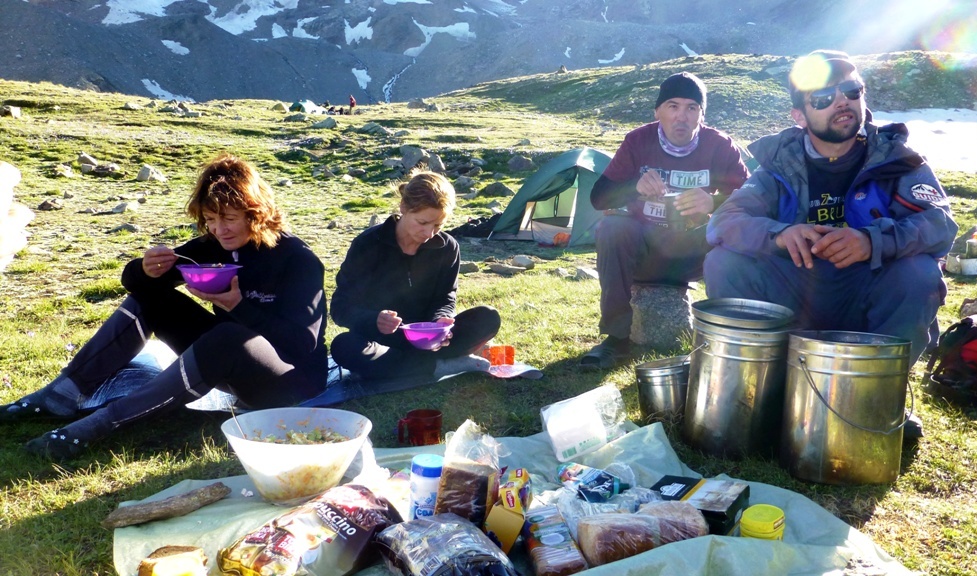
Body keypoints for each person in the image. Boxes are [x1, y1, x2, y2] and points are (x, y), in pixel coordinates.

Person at [0, 153, 329, 460]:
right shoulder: (214, 246)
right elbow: (140, 286)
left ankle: (100, 424)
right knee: (152, 298)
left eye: (229, 218)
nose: (219, 229)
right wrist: (143, 268)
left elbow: (301, 344)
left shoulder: (297, 260)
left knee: (229, 335)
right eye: (210, 219)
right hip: (228, 363)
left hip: (289, 382)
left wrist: (238, 305)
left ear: (255, 213)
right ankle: (61, 395)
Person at [704, 50, 957, 367]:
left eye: (851, 91)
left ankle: (881, 394)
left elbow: (939, 224)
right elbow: (723, 222)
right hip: (796, 293)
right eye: (823, 97)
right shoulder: (779, 164)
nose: (842, 102)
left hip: (867, 290)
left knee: (918, 274)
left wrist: (870, 242)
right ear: (799, 115)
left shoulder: (896, 158)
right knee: (724, 262)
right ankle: (758, 383)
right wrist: (780, 234)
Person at [581, 72, 750, 369]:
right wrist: (634, 185)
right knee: (612, 227)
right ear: (657, 111)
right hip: (644, 253)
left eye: (691, 108)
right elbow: (599, 198)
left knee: (730, 232)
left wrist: (714, 202)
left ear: (702, 114)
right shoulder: (638, 142)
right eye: (672, 106)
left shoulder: (719, 146)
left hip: (694, 252)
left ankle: (728, 337)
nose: (681, 117)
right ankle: (616, 339)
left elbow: (753, 197)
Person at [330, 170, 501, 382]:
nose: (429, 233)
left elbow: (446, 297)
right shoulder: (368, 244)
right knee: (344, 346)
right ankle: (440, 365)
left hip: (431, 339)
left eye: (438, 225)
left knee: (487, 317)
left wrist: (441, 321)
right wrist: (374, 319)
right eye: (422, 223)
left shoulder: (447, 247)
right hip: (382, 340)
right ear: (404, 208)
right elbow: (340, 307)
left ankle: (413, 365)